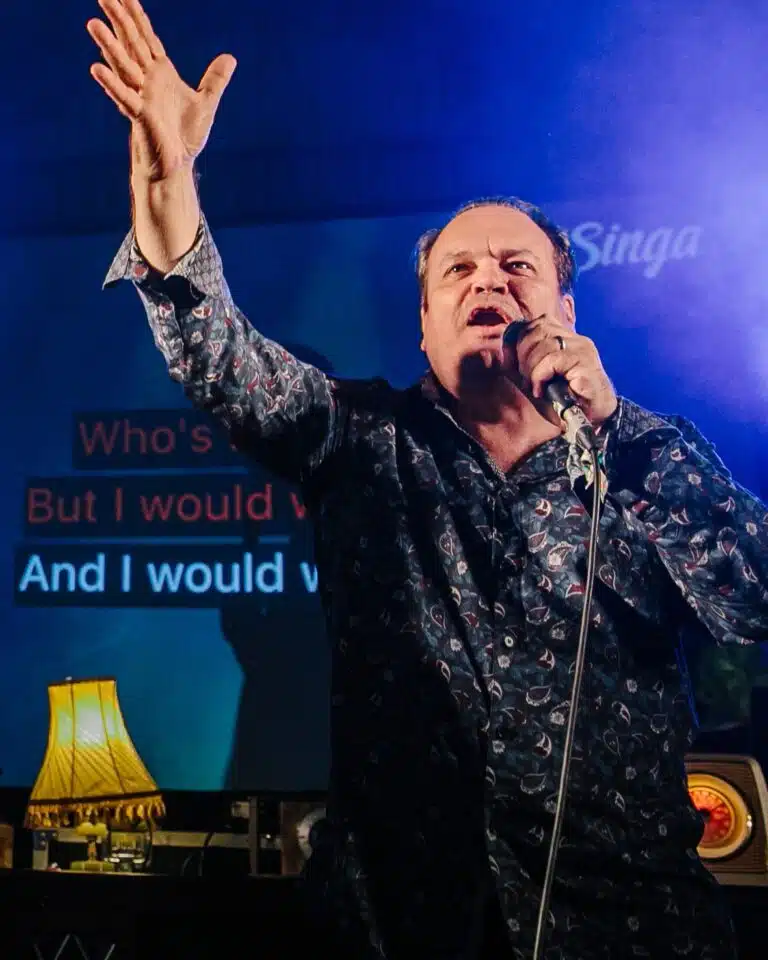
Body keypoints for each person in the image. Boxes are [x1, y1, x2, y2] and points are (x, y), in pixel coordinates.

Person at [86, 3, 768, 958]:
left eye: (516, 266)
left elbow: (755, 599)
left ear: (566, 309)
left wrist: (618, 430)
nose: (488, 280)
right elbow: (219, 355)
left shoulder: (645, 455)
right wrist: (168, 187)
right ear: (422, 325)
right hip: (398, 927)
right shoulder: (356, 438)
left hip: (628, 926)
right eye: (459, 270)